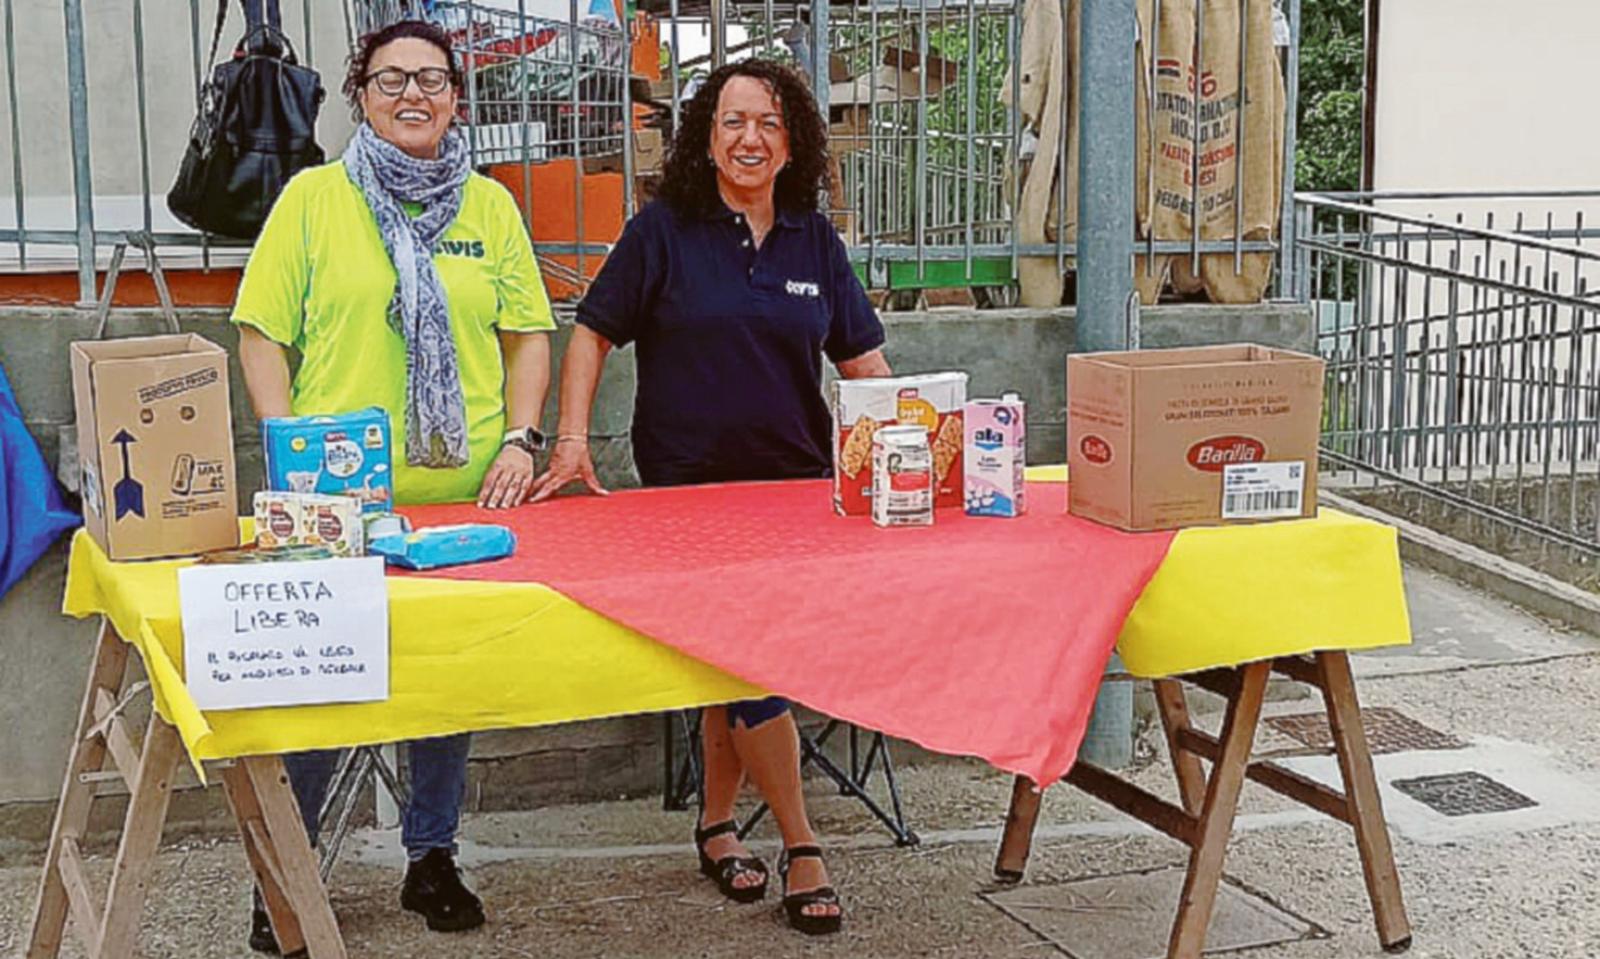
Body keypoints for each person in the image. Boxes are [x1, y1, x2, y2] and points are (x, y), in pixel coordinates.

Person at [528, 59, 892, 936]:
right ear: (706, 136)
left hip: (795, 493)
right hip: (685, 493)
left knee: (731, 662)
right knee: (752, 660)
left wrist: (921, 444)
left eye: (768, 121)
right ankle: (804, 845)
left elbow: (867, 369)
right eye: (732, 122)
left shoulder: (814, 241)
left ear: (793, 137)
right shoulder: (663, 232)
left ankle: (717, 824)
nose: (751, 138)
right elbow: (591, 335)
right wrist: (573, 439)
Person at [232, 18, 555, 951]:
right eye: (390, 80)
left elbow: (528, 333)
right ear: (359, 95)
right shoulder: (313, 200)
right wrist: (288, 446)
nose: (413, 95)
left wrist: (524, 440)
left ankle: (431, 856)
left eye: (432, 79)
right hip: (339, 508)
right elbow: (262, 332)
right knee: (321, 691)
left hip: (462, 500)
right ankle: (286, 880)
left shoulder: (488, 206)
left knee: (444, 689)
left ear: (457, 96)